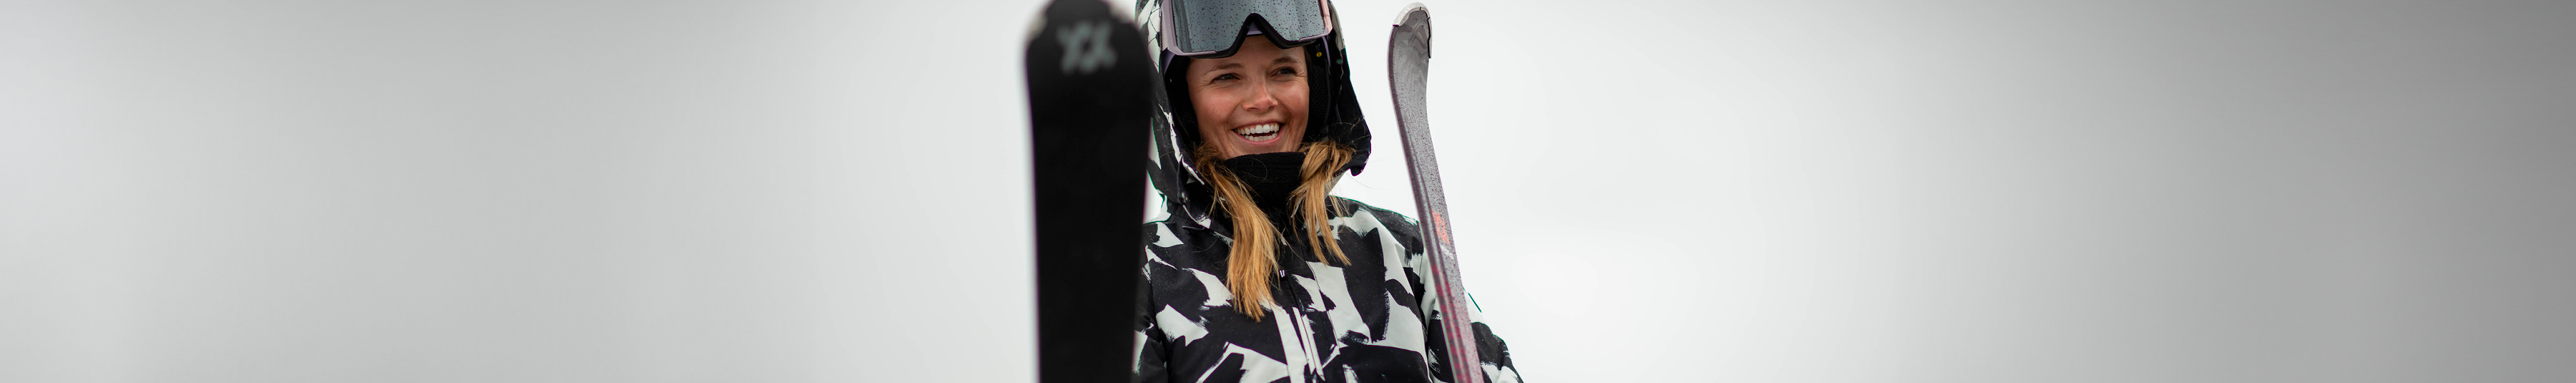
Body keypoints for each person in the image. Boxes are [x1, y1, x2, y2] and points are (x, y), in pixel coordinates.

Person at [1132, 1, 1523, 381]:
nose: (1262, 100)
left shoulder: (1398, 250)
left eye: (1284, 71)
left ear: (1316, 86)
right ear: (1181, 102)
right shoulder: (1146, 275)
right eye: (1226, 77)